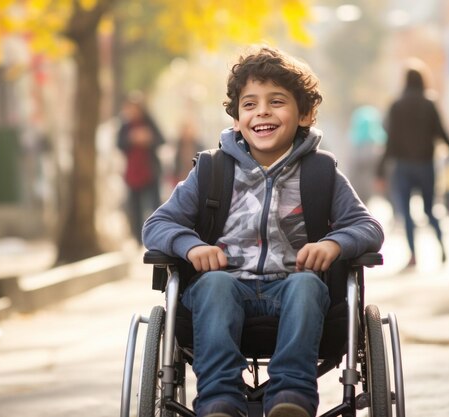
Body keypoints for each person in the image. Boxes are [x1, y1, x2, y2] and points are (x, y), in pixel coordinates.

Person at [142, 45, 383, 417]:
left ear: (304, 114)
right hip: (224, 291)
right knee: (213, 284)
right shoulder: (212, 171)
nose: (262, 112)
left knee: (306, 284)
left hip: (294, 291)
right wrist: (191, 247)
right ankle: (220, 400)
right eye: (250, 104)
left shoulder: (322, 173)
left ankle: (291, 398)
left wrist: (335, 244)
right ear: (237, 118)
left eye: (276, 102)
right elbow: (157, 225)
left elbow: (367, 227)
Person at [376, 64, 449, 268]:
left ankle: (413, 255)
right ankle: (442, 247)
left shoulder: (396, 105)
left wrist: (380, 169)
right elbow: (441, 132)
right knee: (430, 209)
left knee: (407, 212)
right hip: (426, 165)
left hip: (402, 166)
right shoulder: (429, 104)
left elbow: (390, 140)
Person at [117, 93, 165, 245]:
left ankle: (158, 235)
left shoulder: (149, 122)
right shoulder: (125, 125)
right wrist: (132, 139)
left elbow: (161, 139)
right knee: (135, 208)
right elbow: (119, 144)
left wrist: (148, 139)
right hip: (133, 174)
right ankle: (138, 239)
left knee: (155, 206)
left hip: (150, 171)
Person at [347, 105, 387, 206]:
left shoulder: (355, 144)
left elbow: (352, 167)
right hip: (370, 185)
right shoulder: (377, 145)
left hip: (357, 186)